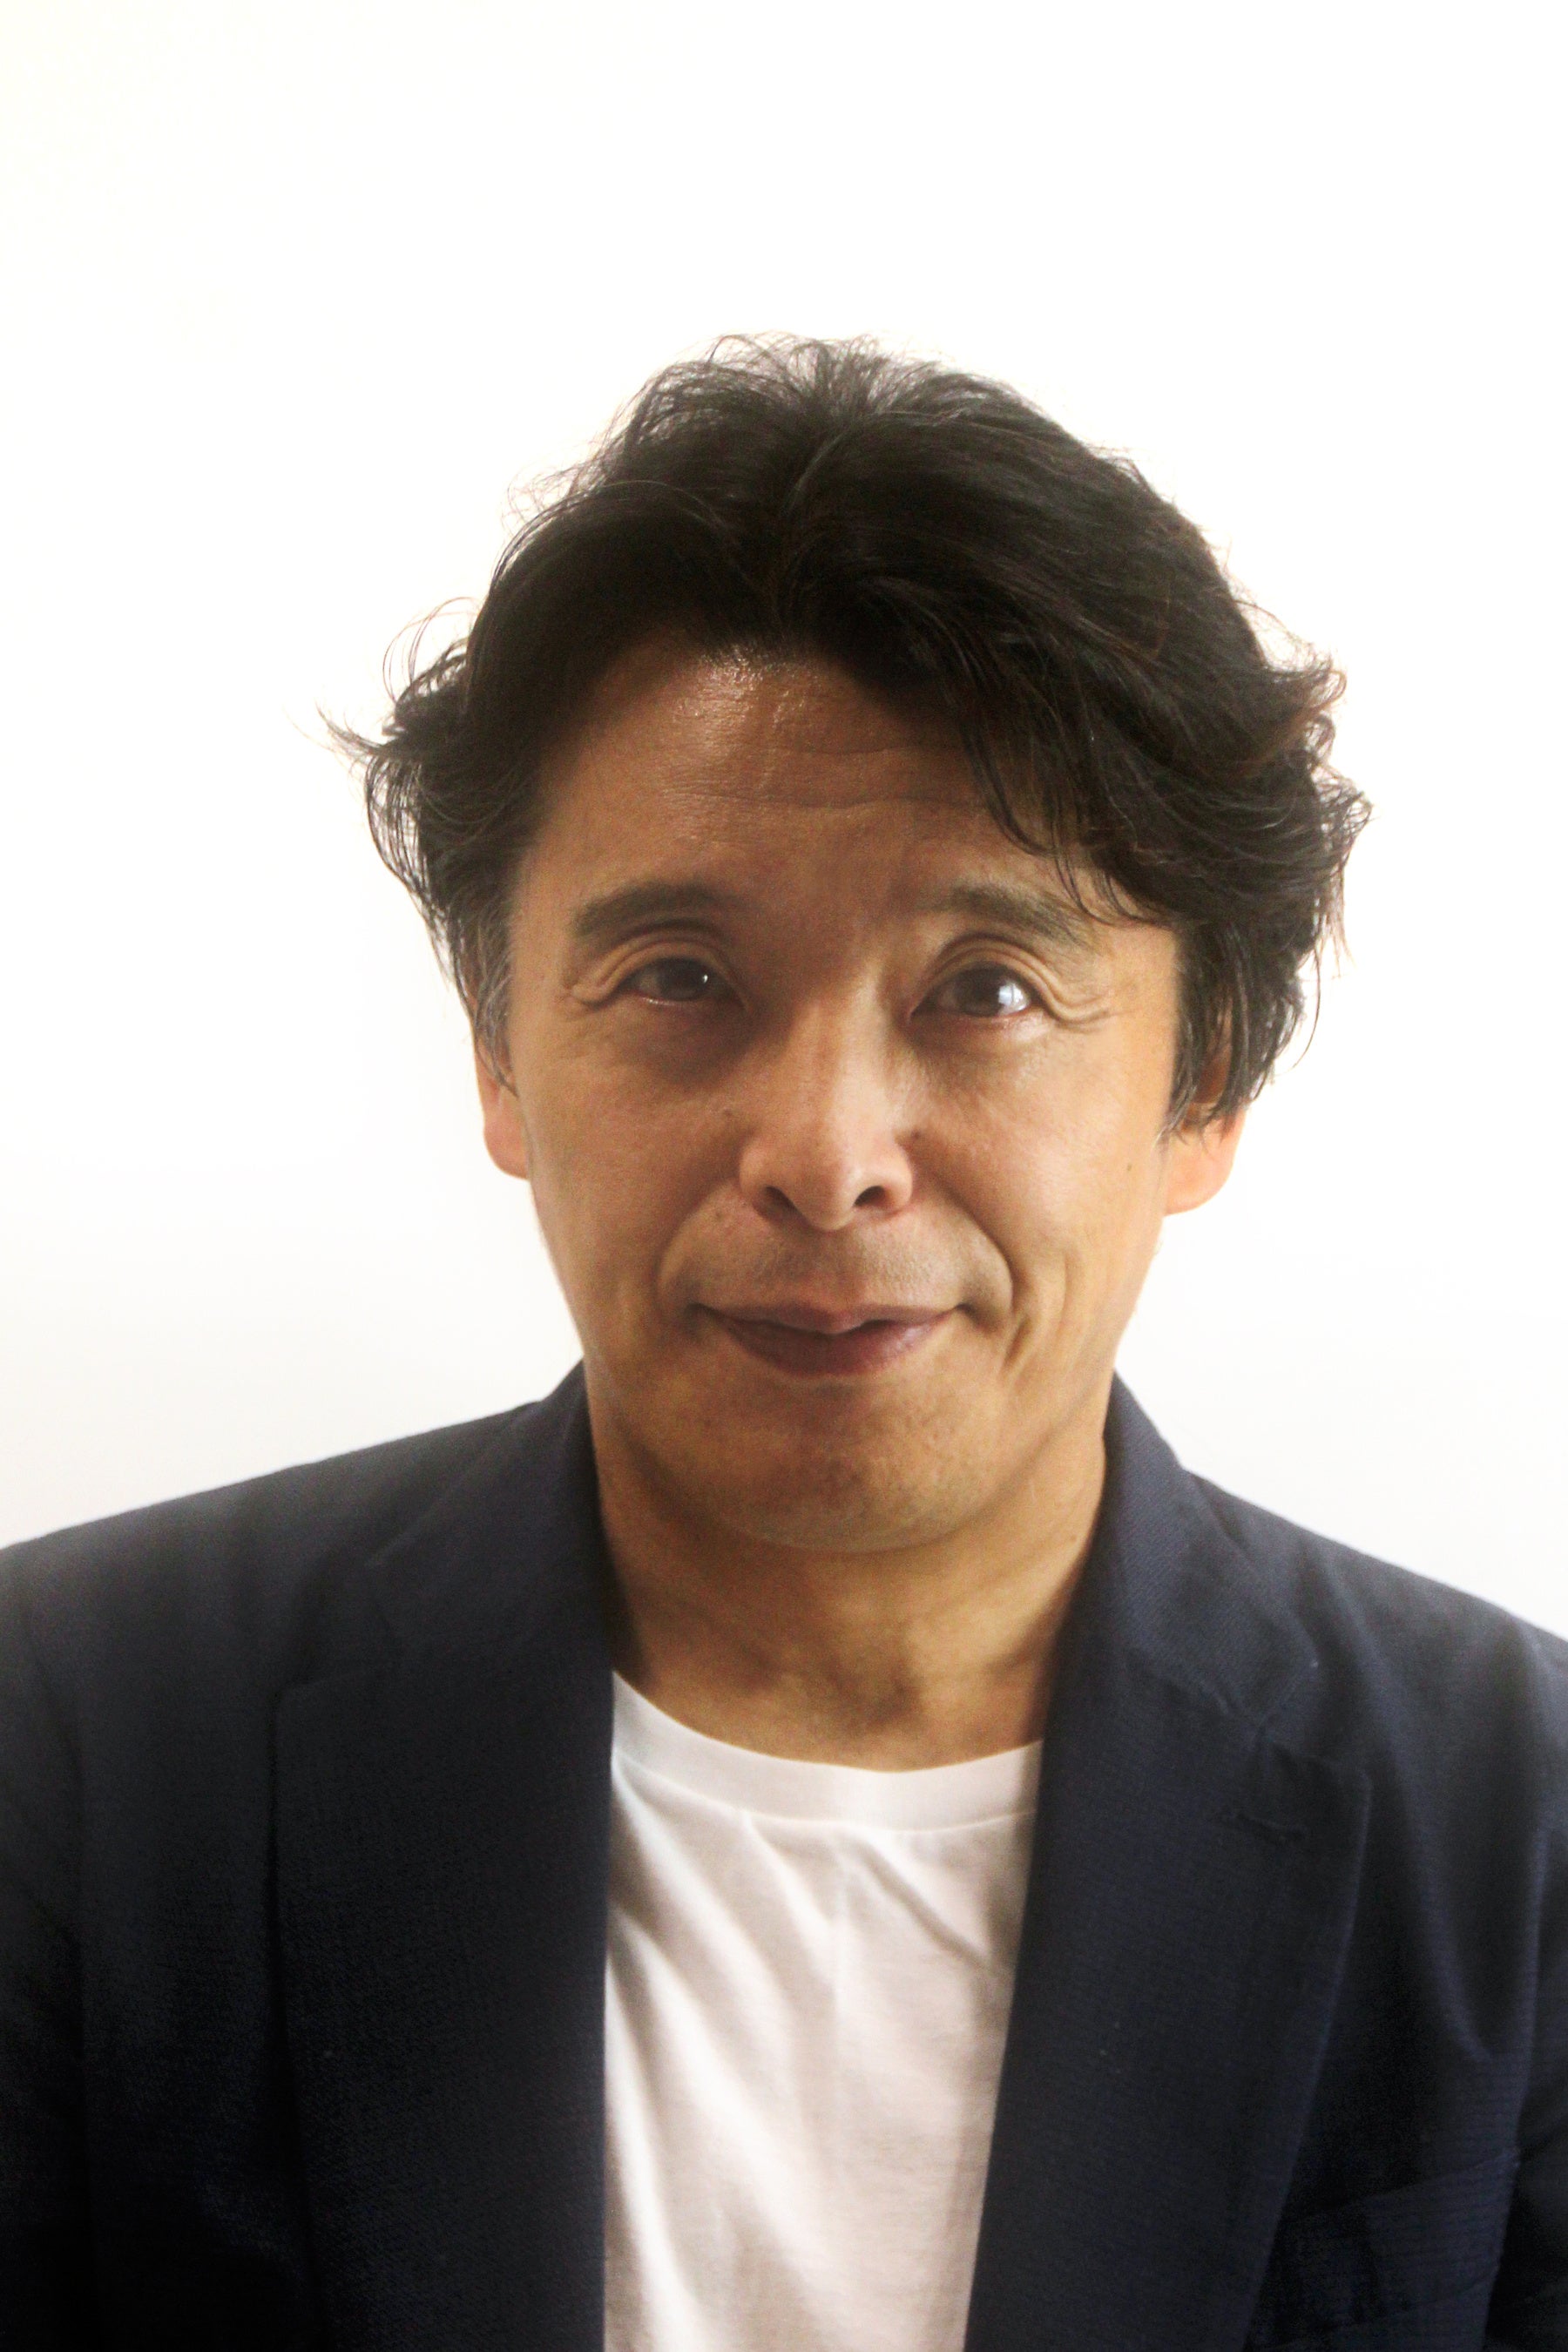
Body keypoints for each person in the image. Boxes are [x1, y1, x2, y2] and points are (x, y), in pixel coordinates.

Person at [2, 338, 1563, 2352]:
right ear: (499, 1053)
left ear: (1207, 1084)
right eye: (680, 977)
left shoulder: (1518, 1840)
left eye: (987, 990)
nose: (826, 1157)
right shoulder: (70, 1753)